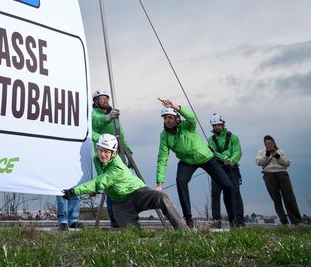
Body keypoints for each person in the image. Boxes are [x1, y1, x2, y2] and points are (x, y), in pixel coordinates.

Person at [63, 133, 186, 230]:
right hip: (121, 203)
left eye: (106, 152)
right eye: (101, 150)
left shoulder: (117, 167)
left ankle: (184, 232)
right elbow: (101, 178)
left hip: (138, 193)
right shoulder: (96, 159)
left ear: (113, 153)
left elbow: (98, 182)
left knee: (161, 197)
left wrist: (74, 191)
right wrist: (93, 190)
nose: (103, 154)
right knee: (131, 234)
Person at [155, 98, 238, 228]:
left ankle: (233, 220)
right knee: (181, 181)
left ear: (177, 118)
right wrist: (159, 183)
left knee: (228, 186)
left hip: (206, 158)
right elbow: (162, 158)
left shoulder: (187, 126)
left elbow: (192, 117)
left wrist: (176, 106)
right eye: (165, 118)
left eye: (170, 117)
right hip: (186, 162)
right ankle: (188, 220)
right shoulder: (164, 135)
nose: (167, 121)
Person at [91, 89, 132, 227]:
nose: (105, 100)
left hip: (118, 152)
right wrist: (108, 119)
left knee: (122, 183)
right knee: (110, 184)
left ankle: (125, 215)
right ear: (96, 101)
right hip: (105, 153)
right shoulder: (93, 114)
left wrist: (127, 152)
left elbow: (121, 133)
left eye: (106, 98)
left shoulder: (113, 114)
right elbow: (95, 126)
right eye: (101, 98)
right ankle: (114, 217)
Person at [207, 113, 244, 227]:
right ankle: (216, 221)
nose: (217, 127)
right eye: (214, 125)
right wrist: (225, 158)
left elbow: (237, 152)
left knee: (235, 194)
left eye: (219, 124)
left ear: (223, 125)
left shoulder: (233, 138)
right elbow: (212, 153)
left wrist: (231, 161)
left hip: (231, 168)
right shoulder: (210, 140)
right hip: (217, 169)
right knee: (215, 194)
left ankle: (237, 221)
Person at [256, 135, 303, 225]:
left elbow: (287, 163)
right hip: (269, 175)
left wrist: (277, 156)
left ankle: (296, 221)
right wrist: (267, 155)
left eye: (271, 143)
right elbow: (259, 163)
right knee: (276, 199)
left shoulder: (281, 151)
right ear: (265, 144)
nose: (269, 145)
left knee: (289, 197)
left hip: (282, 174)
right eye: (267, 143)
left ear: (274, 142)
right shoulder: (261, 152)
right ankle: (283, 221)